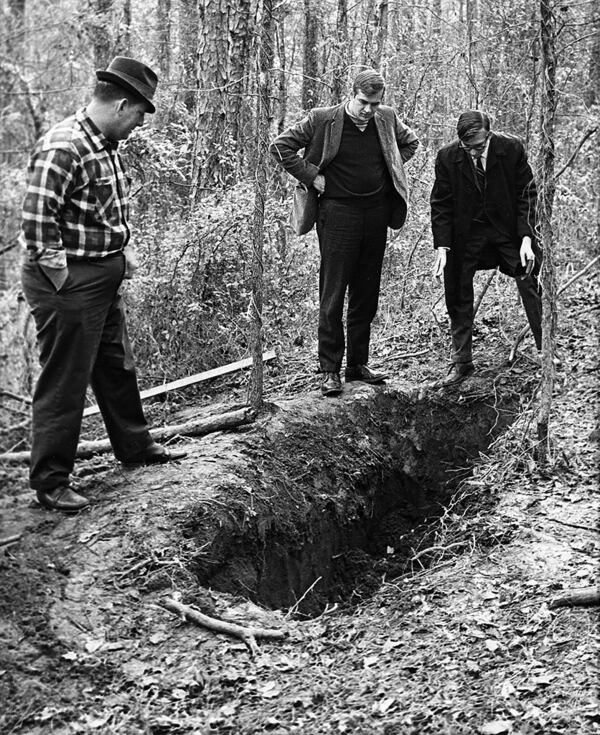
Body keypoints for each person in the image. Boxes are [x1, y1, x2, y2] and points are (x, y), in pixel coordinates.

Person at [20, 56, 185, 512]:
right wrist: (65, 281)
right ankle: (51, 481)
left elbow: (106, 211)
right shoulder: (64, 146)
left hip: (102, 277)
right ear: (121, 105)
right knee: (66, 380)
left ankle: (134, 446)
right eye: (138, 114)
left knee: (116, 364)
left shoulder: (105, 144)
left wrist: (121, 254)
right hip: (68, 281)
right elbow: (37, 225)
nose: (138, 125)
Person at [270, 69, 419, 396]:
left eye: (375, 104)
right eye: (364, 102)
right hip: (337, 214)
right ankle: (329, 371)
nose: (369, 110)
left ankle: (357, 365)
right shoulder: (323, 119)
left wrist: (390, 167)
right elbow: (280, 146)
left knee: (366, 291)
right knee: (334, 292)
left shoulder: (387, 118)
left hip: (377, 213)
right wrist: (311, 175)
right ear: (351, 94)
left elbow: (410, 142)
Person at [430, 110, 542, 385]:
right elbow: (441, 204)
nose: (472, 152)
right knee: (455, 286)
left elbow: (527, 193)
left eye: (479, 147)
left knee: (528, 274)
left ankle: (546, 351)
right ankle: (462, 362)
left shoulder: (511, 148)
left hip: (506, 230)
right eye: (467, 148)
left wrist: (527, 239)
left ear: (489, 135)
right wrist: (442, 247)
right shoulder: (448, 156)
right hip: (465, 235)